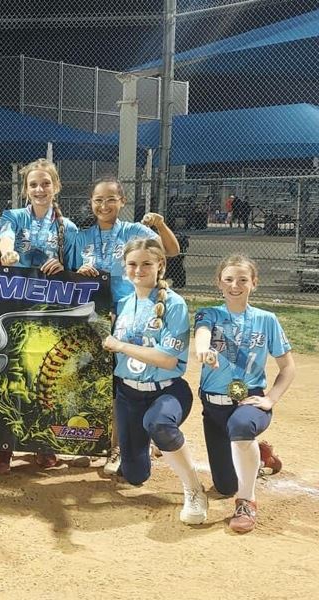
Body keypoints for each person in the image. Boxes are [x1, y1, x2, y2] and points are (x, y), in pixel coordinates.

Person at [74, 177, 180, 476]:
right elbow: (69, 273)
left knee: (126, 381)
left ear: (122, 201)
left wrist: (160, 225)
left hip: (132, 316)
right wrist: (79, 271)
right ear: (91, 203)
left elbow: (170, 251)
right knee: (97, 381)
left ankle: (120, 446)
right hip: (94, 317)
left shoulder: (134, 231)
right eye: (98, 199)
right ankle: (93, 441)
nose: (104, 205)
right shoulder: (82, 237)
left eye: (111, 199)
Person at [102, 238, 207, 525]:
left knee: (159, 424)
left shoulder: (174, 304)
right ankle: (145, 443)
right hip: (129, 395)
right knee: (135, 475)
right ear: (124, 267)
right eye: (132, 264)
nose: (139, 270)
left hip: (167, 392)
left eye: (146, 264)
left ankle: (194, 490)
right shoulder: (123, 304)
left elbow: (167, 360)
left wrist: (120, 346)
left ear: (160, 265)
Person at [194, 255, 295, 533]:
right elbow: (202, 333)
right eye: (228, 279)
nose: (234, 285)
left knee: (241, 427)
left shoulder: (267, 320)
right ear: (218, 283)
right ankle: (259, 455)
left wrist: (270, 398)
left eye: (242, 280)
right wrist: (203, 350)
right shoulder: (209, 313)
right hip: (214, 407)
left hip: (248, 403)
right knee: (225, 486)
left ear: (254, 283)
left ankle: (247, 502)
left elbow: (287, 367)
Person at [0, 158, 79, 474]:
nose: (39, 189)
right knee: (10, 374)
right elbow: (5, 237)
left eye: (45, 184)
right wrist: (7, 251)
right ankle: (3, 445)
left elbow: (76, 274)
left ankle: (43, 443)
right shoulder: (14, 217)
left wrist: (64, 268)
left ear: (56, 187)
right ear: (25, 189)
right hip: (13, 308)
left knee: (44, 375)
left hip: (49, 313)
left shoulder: (68, 228)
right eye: (33, 185)